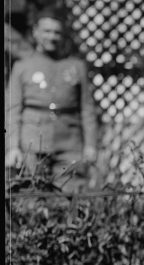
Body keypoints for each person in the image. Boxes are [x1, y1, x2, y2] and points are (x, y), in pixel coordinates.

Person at [5, 10, 98, 193]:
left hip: (69, 145)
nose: (52, 37)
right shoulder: (23, 67)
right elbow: (12, 109)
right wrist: (12, 147)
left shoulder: (76, 67)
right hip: (32, 144)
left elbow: (87, 109)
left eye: (57, 33)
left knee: (71, 197)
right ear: (35, 33)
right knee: (31, 197)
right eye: (47, 31)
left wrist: (90, 145)